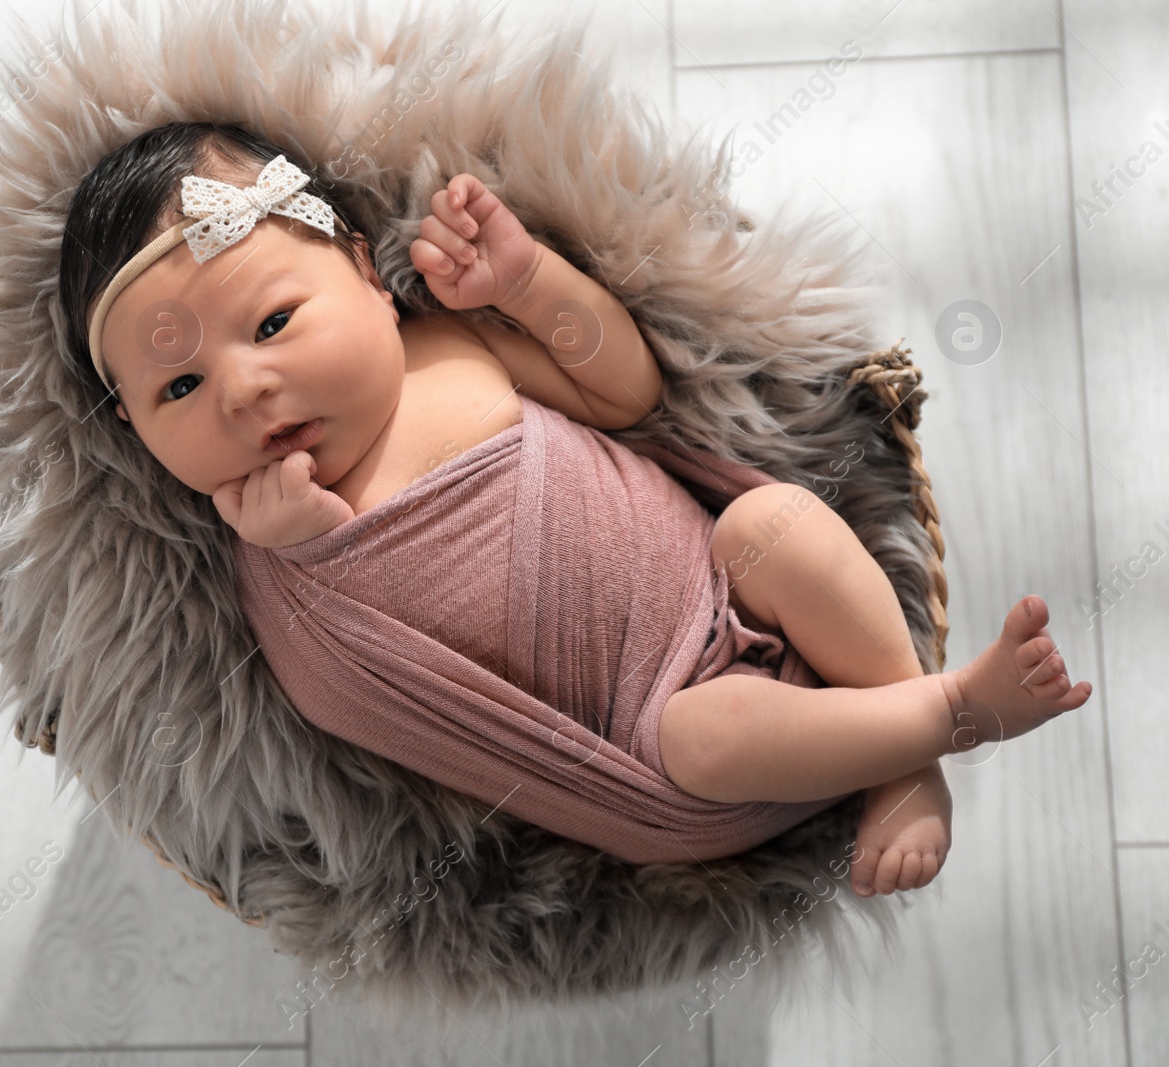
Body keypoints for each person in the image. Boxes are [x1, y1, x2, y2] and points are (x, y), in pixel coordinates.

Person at [58, 121, 1092, 898]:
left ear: (370, 276)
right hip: (662, 750)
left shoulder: (451, 347)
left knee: (769, 523)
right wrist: (312, 548)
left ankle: (898, 752)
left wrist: (530, 279)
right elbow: (361, 694)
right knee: (705, 732)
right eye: (177, 389)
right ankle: (944, 715)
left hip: (726, 592)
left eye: (274, 320)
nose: (242, 390)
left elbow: (626, 393)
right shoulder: (278, 546)